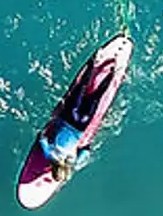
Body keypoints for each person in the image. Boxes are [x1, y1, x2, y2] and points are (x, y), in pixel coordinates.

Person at [38, 51, 119, 183]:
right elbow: (42, 138)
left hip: (82, 124)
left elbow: (86, 151)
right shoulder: (50, 155)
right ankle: (94, 61)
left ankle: (113, 73)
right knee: (82, 87)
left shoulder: (72, 161)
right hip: (70, 116)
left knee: (97, 97)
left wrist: (83, 149)